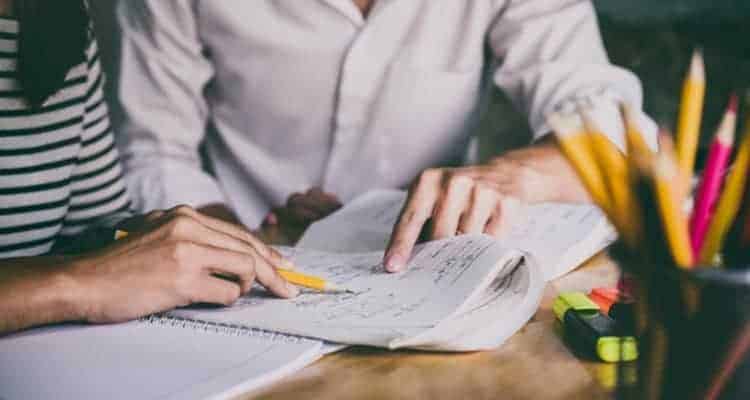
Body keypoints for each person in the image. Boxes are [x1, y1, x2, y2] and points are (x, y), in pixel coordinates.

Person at [109, 1, 656, 273]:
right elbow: (150, 147)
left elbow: (608, 118)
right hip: (243, 264)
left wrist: (510, 175)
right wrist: (239, 245)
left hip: (423, 274)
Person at [0, 0, 297, 335]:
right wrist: (77, 283)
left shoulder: (62, 17)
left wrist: (174, 241)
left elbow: (89, 231)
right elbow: (91, 272)